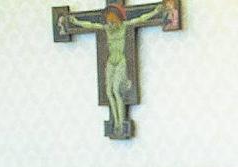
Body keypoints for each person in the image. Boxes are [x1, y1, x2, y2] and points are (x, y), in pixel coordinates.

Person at [66, 3, 165, 136]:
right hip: (111, 62)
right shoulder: (107, 29)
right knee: (108, 92)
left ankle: (120, 122)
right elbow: (90, 25)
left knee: (116, 91)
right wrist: (76, 21)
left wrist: (155, 11)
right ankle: (116, 122)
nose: (111, 24)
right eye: (108, 21)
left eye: (113, 21)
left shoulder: (125, 26)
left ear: (118, 18)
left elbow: (142, 18)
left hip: (120, 62)